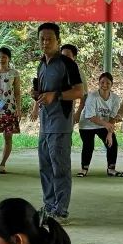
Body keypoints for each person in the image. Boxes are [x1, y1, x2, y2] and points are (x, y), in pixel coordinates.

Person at [32, 23, 84, 224]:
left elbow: (79, 91)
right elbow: (44, 92)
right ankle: (49, 205)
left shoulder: (67, 63)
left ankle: (61, 210)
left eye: (49, 39)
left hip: (61, 124)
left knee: (60, 168)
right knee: (45, 167)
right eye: (42, 39)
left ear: (58, 40)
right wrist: (37, 96)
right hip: (45, 124)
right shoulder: (41, 64)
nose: (45, 42)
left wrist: (57, 95)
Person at [77, 72, 121, 177]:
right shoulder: (92, 97)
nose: (105, 85)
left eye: (108, 83)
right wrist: (106, 124)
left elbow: (112, 117)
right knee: (88, 145)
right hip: (87, 125)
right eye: (102, 82)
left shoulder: (115, 98)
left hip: (104, 125)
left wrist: (110, 133)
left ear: (112, 84)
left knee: (112, 143)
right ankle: (84, 168)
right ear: (99, 83)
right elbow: (91, 116)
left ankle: (111, 168)